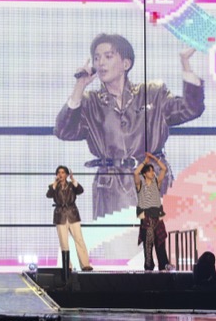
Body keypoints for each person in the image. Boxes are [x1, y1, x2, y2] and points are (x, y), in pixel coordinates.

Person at [54, 33, 204, 219]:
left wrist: (185, 63)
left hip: (151, 181)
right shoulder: (90, 102)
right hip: (111, 189)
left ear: (126, 64)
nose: (101, 63)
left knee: (155, 236)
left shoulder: (152, 93)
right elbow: (63, 131)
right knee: (117, 238)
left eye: (108, 56)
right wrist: (79, 86)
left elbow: (191, 109)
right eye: (97, 58)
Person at [46, 165, 94, 272]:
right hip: (60, 215)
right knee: (64, 242)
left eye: (63, 172)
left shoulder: (72, 185)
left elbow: (80, 190)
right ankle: (67, 266)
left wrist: (73, 180)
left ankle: (85, 264)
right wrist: (55, 183)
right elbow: (49, 195)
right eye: (59, 172)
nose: (60, 174)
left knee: (79, 240)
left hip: (73, 214)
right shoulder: (53, 186)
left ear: (67, 175)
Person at [133, 152, 171, 271]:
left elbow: (164, 169)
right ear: (144, 174)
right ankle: (149, 268)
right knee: (148, 246)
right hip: (147, 218)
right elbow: (135, 173)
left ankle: (164, 265)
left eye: (153, 171)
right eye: (149, 171)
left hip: (157, 217)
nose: (152, 173)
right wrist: (144, 162)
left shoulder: (156, 183)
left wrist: (154, 158)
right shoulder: (140, 185)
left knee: (160, 243)